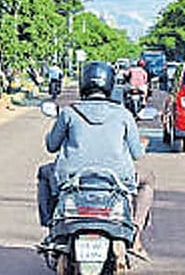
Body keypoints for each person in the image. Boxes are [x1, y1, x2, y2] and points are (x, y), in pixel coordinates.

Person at [37, 61, 154, 259]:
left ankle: (50, 227)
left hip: (71, 178)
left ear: (83, 84)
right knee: (148, 179)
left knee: (43, 173)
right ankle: (135, 232)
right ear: (110, 84)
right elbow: (137, 154)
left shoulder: (69, 113)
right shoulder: (124, 114)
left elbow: (51, 146)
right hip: (118, 180)